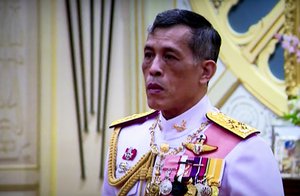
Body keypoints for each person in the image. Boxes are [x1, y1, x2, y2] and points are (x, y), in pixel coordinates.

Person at [102, 9, 284, 196]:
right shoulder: (126, 138)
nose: (154, 68)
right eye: (149, 55)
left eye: (170, 57)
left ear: (206, 71)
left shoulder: (245, 151)